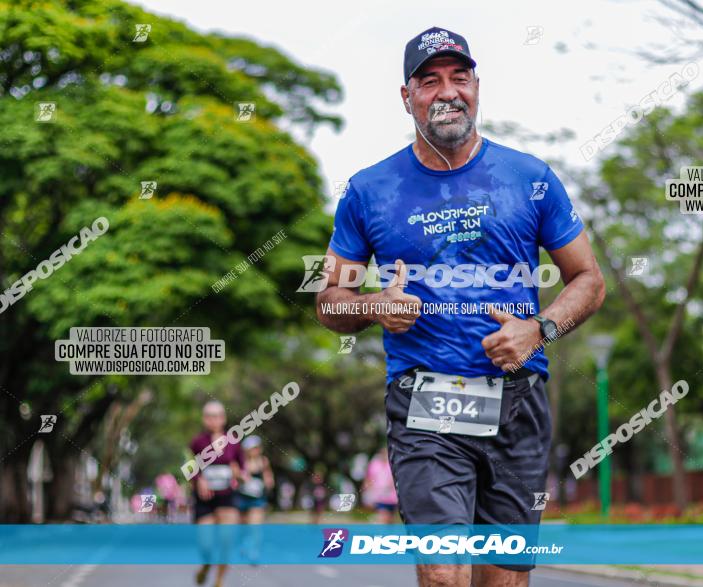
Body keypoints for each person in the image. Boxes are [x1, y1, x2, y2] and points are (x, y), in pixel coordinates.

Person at [315, 26, 606, 587]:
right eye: (430, 81)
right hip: (425, 404)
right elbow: (329, 301)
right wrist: (374, 306)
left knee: (503, 578)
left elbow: (588, 279)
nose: (447, 91)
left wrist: (538, 329)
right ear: (407, 97)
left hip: (518, 400)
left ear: (476, 86)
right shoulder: (368, 190)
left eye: (459, 77)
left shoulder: (531, 179)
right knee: (444, 572)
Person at [189, 400, 244, 587]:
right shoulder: (197, 442)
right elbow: (190, 468)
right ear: (204, 419)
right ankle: (206, 566)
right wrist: (199, 480)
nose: (213, 420)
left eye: (217, 416)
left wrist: (239, 475)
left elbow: (243, 471)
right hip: (205, 499)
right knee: (205, 544)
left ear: (223, 418)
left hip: (227, 497)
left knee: (227, 541)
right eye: (209, 416)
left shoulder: (234, 442)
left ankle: (219, 580)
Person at [236, 436, 274, 563]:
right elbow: (235, 476)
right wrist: (241, 477)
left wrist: (269, 481)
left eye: (257, 448)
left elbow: (268, 476)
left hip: (257, 499)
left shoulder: (263, 461)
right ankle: (243, 543)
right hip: (241, 498)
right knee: (243, 526)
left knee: (255, 526)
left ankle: (254, 552)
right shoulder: (241, 462)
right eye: (252, 448)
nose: (255, 451)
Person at [362, 447, 398, 523]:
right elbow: (369, 477)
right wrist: (367, 490)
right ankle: (382, 532)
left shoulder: (393, 464)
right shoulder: (375, 464)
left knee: (390, 519)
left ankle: (389, 532)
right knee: (384, 516)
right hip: (380, 496)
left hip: (393, 497)